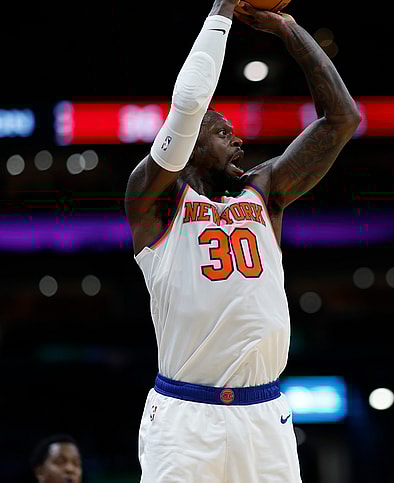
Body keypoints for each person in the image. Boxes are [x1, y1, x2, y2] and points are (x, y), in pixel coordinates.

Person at [123, 0, 360, 480]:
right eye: (223, 132)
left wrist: (290, 31)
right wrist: (222, 10)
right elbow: (188, 106)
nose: (239, 142)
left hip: (264, 414)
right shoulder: (154, 202)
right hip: (185, 419)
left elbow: (343, 119)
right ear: (189, 144)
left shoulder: (265, 191)